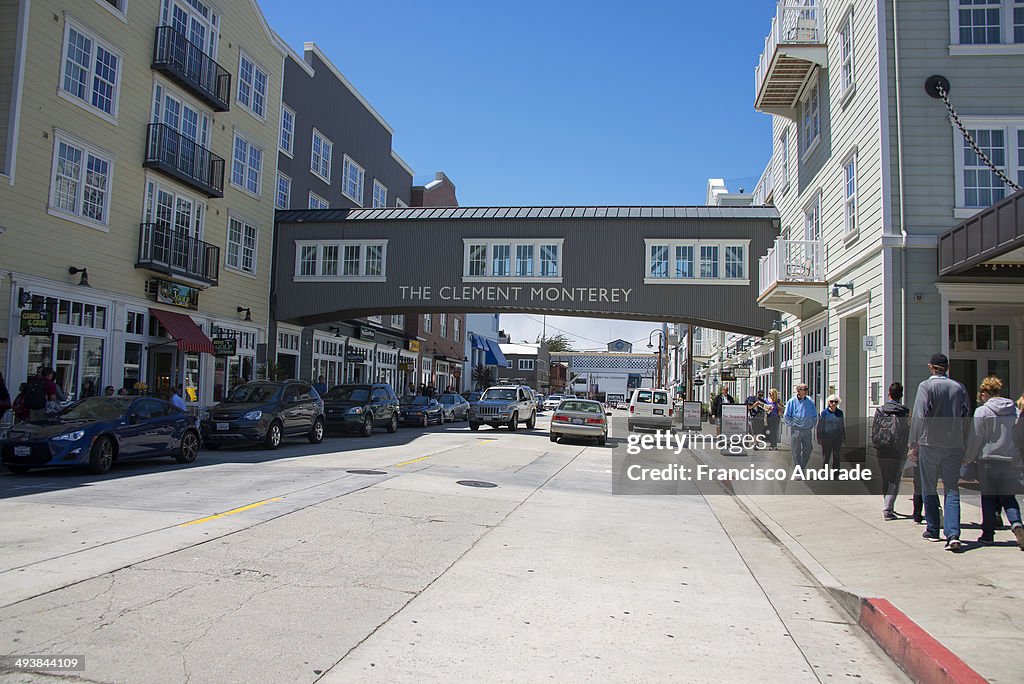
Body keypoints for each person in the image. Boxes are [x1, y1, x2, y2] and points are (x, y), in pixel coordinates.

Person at [908, 353, 970, 552]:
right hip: (953, 444)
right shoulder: (959, 388)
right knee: (952, 489)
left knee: (929, 486)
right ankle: (953, 534)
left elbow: (919, 415)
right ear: (947, 367)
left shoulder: (926, 387)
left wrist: (913, 443)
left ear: (930, 367)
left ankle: (933, 529)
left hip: (930, 443)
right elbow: (966, 415)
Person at [965, 377, 1024, 548]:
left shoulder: (982, 412)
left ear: (984, 393)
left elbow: (976, 438)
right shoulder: (1014, 410)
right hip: (1009, 460)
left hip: (988, 459)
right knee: (1008, 497)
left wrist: (969, 457)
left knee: (989, 498)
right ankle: (1016, 523)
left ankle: (988, 534)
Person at [872, 382, 912, 521]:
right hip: (897, 450)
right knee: (895, 479)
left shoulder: (880, 410)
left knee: (885, 478)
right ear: (901, 395)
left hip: (882, 449)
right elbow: (908, 431)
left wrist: (876, 445)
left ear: (889, 394)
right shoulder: (905, 412)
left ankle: (887, 504)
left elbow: (874, 430)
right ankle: (888, 508)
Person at [783, 384, 817, 469]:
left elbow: (814, 414)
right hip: (796, 429)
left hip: (807, 429)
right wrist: (792, 425)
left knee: (808, 449)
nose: (806, 391)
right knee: (796, 451)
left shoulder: (810, 400)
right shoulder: (792, 401)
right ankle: (798, 471)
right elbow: (786, 415)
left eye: (807, 389)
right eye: (804, 389)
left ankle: (801, 468)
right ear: (798, 391)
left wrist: (812, 424)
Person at [816, 394, 846, 470]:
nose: (833, 403)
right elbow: (820, 426)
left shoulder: (840, 413)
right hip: (827, 438)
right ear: (829, 402)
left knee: (837, 456)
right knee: (826, 456)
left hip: (837, 438)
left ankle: (836, 473)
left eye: (835, 402)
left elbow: (842, 425)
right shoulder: (824, 413)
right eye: (831, 402)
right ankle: (824, 471)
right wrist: (819, 437)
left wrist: (843, 437)